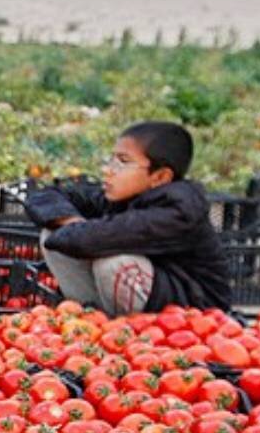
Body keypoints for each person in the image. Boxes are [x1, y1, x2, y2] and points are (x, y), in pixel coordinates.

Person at [24, 121, 231, 314]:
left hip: (193, 311)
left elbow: (94, 240)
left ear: (160, 177)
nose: (108, 171)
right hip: (155, 296)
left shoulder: (179, 211)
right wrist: (70, 222)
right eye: (111, 160)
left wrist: (76, 231)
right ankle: (93, 320)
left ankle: (123, 335)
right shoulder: (123, 196)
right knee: (53, 231)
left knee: (115, 263)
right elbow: (45, 196)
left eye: (123, 162)